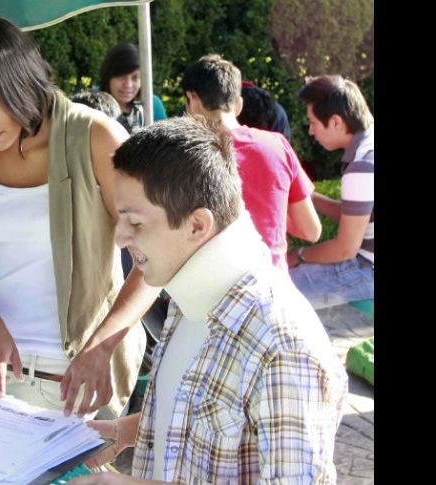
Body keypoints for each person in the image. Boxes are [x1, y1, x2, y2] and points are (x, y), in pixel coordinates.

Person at [70, 116, 347, 485]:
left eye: (135, 223)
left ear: (197, 225)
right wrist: (126, 430)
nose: (119, 237)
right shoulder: (190, 291)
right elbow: (205, 414)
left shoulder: (283, 346)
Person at [0, 11, 159, 418]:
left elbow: (156, 260)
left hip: (69, 381)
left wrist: (101, 347)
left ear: (17, 79)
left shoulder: (96, 137)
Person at [181, 54, 322, 271]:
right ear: (237, 105)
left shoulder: (187, 157)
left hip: (216, 283)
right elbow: (311, 230)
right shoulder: (278, 145)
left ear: (193, 99)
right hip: (273, 283)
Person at [287, 75, 374, 309]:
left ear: (336, 121)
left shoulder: (363, 165)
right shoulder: (369, 146)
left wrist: (297, 254)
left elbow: (345, 249)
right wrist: (309, 196)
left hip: (368, 269)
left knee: (280, 289)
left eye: (313, 122)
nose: (311, 131)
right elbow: (358, 217)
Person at [99, 42, 168, 134]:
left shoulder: (152, 105)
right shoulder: (93, 103)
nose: (128, 84)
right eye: (121, 76)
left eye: (135, 78)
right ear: (108, 76)